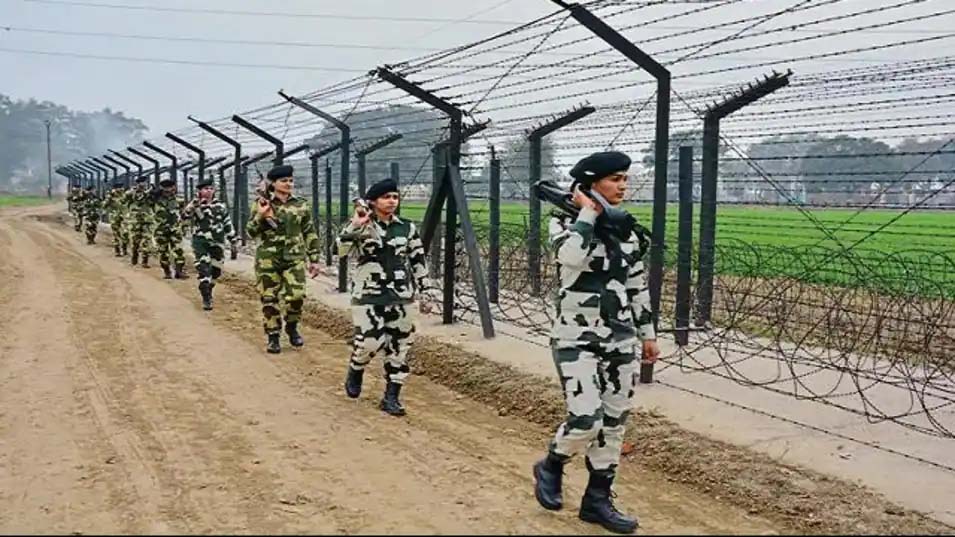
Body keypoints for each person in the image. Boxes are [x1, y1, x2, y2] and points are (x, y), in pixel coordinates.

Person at [531, 151, 660, 535]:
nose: (623, 185)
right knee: (587, 419)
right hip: (576, 338)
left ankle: (597, 501)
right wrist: (587, 214)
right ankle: (552, 464)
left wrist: (648, 333)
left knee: (614, 424)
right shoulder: (564, 223)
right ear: (591, 184)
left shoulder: (626, 229)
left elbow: (636, 284)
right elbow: (570, 259)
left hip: (620, 339)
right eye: (615, 179)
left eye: (625, 179)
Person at [336, 178, 435, 417]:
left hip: (400, 295)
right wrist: (354, 226)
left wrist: (426, 291)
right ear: (373, 202)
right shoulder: (361, 225)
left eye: (395, 197)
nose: (392, 201)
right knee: (369, 343)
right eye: (386, 197)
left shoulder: (406, 228)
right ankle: (356, 367)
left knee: (400, 348)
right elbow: (338, 251)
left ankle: (392, 397)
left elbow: (418, 260)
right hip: (368, 295)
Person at [246, 164, 322, 354]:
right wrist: (260, 216)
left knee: (296, 296)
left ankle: (292, 326)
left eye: (290, 180)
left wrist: (314, 259)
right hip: (268, 259)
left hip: (294, 258)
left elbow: (309, 232)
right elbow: (250, 232)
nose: (288, 184)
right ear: (273, 183)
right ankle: (273, 336)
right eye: (284, 181)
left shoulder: (301, 204)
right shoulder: (261, 203)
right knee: (269, 298)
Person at [183, 177, 236, 310]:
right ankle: (206, 295)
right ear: (199, 191)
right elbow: (184, 217)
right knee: (204, 268)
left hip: (217, 242)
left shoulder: (220, 206)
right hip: (201, 241)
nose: (209, 191)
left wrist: (233, 240)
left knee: (216, 271)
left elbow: (227, 223)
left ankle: (208, 288)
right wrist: (193, 206)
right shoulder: (195, 205)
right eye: (206, 189)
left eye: (211, 188)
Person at [152, 177, 188, 280]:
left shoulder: (179, 200)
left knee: (178, 250)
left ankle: (179, 271)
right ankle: (167, 271)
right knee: (163, 251)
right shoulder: (155, 199)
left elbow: (184, 214)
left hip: (175, 229)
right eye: (165, 188)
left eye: (170, 187)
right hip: (160, 230)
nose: (168, 190)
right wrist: (152, 192)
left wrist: (184, 227)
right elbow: (140, 198)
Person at [127, 176, 155, 268]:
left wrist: (153, 193)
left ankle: (144, 261)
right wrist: (148, 191)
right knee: (135, 241)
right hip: (135, 221)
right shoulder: (132, 192)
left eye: (145, 182)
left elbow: (153, 203)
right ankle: (134, 256)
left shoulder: (149, 193)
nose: (144, 184)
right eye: (142, 182)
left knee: (147, 240)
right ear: (138, 183)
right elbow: (138, 198)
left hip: (147, 220)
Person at [104, 179, 130, 257]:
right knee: (116, 234)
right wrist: (109, 198)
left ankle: (124, 249)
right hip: (114, 217)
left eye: (121, 187)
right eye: (119, 187)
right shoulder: (111, 196)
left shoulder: (125, 195)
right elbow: (104, 205)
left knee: (126, 233)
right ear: (115, 189)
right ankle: (117, 250)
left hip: (124, 217)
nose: (121, 189)